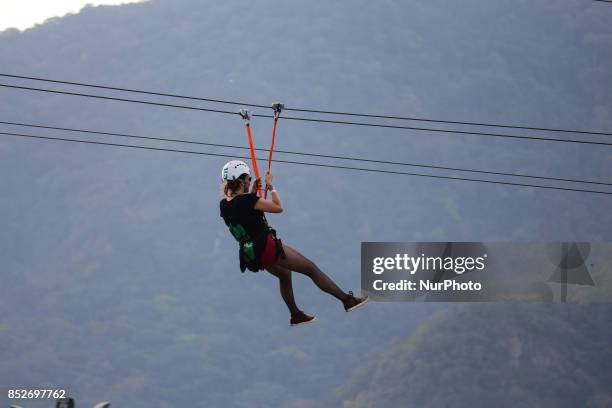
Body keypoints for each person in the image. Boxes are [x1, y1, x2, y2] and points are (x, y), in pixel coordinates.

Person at [219, 160, 368, 326]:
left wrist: (253, 192)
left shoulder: (224, 205)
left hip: (252, 253)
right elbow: (277, 207)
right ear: (241, 180)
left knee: (285, 275)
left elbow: (246, 214)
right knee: (310, 268)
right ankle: (347, 300)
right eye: (248, 178)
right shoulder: (248, 201)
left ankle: (295, 314)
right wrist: (270, 186)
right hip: (267, 248)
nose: (250, 180)